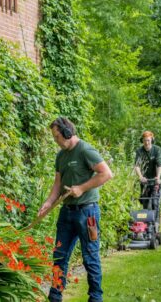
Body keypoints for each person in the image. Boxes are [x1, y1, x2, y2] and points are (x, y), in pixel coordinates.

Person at [38, 117, 113, 302]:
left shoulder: (85, 150)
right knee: (59, 256)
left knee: (90, 258)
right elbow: (58, 184)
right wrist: (48, 202)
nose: (56, 140)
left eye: (57, 137)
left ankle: (96, 298)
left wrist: (81, 188)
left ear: (67, 133)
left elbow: (106, 173)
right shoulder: (60, 156)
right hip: (67, 213)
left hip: (87, 214)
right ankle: (55, 297)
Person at [134, 130, 161, 220]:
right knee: (144, 202)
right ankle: (146, 223)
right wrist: (140, 177)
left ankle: (156, 224)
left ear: (152, 140)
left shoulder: (157, 149)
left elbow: (159, 165)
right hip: (145, 181)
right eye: (144, 140)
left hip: (155, 181)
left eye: (148, 140)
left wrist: (158, 177)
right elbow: (137, 166)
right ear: (142, 141)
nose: (146, 143)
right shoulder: (139, 151)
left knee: (155, 203)